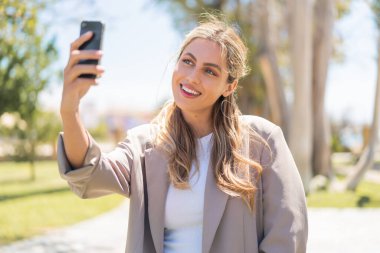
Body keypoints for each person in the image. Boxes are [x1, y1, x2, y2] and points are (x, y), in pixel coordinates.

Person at [58, 14, 308, 253]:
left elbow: (287, 236)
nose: (192, 77)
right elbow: (89, 175)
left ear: (229, 86)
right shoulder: (146, 143)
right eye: (187, 61)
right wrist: (70, 110)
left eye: (210, 71)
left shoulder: (262, 140)